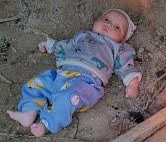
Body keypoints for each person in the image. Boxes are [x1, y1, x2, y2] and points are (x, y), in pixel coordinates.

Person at [7, 9, 142, 137]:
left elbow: (126, 65)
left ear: (123, 39)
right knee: (39, 82)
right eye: (106, 19)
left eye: (117, 27)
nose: (108, 24)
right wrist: (50, 46)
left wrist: (132, 83)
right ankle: (29, 110)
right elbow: (67, 45)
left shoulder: (118, 48)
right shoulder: (83, 35)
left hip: (87, 83)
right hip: (62, 74)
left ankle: (47, 123)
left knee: (67, 98)